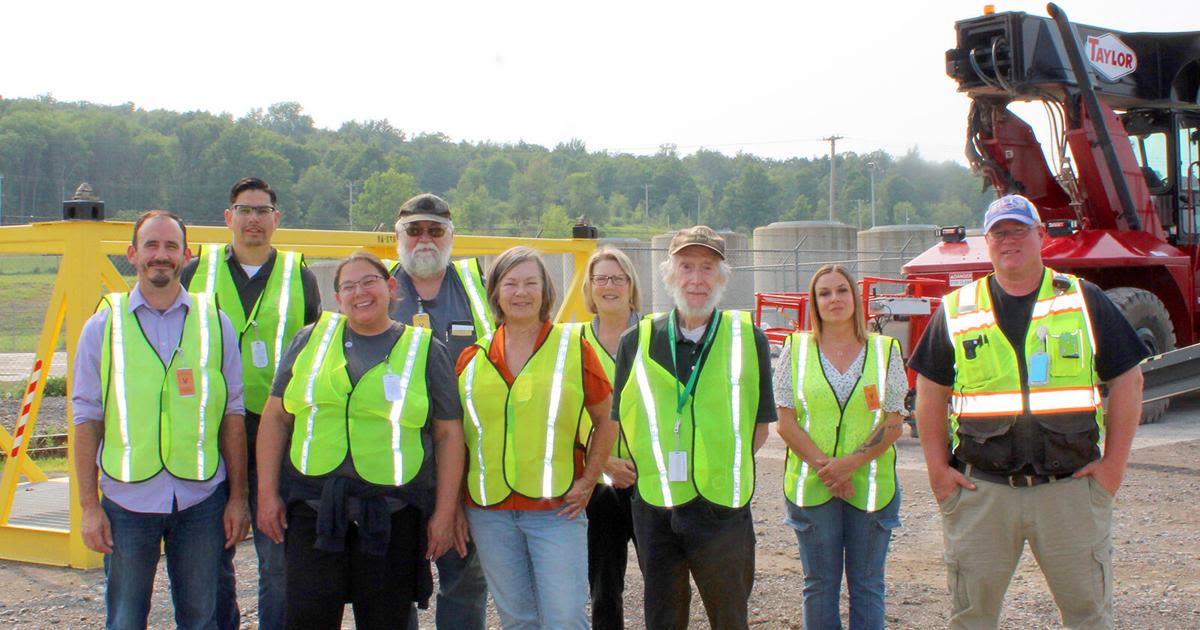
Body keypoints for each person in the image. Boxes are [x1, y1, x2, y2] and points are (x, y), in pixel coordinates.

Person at [909, 195, 1148, 629]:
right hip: (983, 491)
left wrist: (1114, 464)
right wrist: (937, 470)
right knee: (971, 619)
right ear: (988, 242)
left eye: (1020, 230)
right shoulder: (958, 308)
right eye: (1000, 232)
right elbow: (930, 391)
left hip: (1069, 491)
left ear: (1041, 236)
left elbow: (1129, 381)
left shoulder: (1082, 299)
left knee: (1088, 617)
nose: (1009, 240)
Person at [254, 251, 467, 630]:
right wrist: (267, 494)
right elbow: (275, 417)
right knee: (307, 618)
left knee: (387, 620)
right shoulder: (310, 341)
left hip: (392, 513)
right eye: (348, 286)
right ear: (338, 298)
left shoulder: (424, 349)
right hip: (315, 511)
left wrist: (445, 512)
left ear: (390, 287)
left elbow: (449, 434)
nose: (359, 293)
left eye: (369, 281)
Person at [72, 210, 249, 629]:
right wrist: (87, 507)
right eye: (151, 245)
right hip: (127, 502)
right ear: (132, 254)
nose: (161, 255)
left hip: (201, 501)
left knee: (202, 619)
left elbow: (233, 416)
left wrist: (238, 499)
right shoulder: (103, 326)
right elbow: (86, 420)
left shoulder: (215, 324)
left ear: (187, 255)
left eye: (171, 246)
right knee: (126, 620)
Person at [610, 226, 776, 630]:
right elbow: (621, 422)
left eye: (707, 267)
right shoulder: (638, 340)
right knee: (664, 618)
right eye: (686, 266)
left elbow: (760, 427)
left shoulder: (748, 339)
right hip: (656, 505)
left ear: (722, 277)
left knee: (729, 617)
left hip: (723, 507)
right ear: (670, 274)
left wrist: (718, 465)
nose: (697, 279)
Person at [182, 176, 322, 630]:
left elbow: (315, 356)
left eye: (263, 211)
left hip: (275, 433)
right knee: (208, 556)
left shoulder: (299, 275)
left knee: (276, 556)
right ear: (229, 217)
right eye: (245, 210)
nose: (254, 220)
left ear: (276, 220)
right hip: (210, 431)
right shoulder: (195, 271)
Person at [456, 246, 618, 629]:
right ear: (495, 293)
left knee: (564, 617)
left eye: (531, 283)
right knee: (517, 619)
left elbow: (607, 418)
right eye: (510, 283)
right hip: (489, 513)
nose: (521, 292)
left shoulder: (572, 349)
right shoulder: (472, 358)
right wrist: (455, 507)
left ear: (546, 292)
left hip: (556, 512)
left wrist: (589, 480)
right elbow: (458, 439)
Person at [774, 264, 905, 630]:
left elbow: (893, 422)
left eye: (841, 290)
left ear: (855, 297)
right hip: (813, 487)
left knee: (867, 586)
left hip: (872, 488)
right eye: (825, 293)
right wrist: (828, 469)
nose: (834, 299)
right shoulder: (795, 349)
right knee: (819, 586)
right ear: (814, 303)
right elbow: (785, 421)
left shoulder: (885, 350)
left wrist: (848, 465)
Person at [384, 192, 492, 630]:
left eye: (435, 230)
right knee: (392, 581)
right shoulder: (379, 288)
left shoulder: (479, 286)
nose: (424, 238)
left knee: (464, 578)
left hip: (465, 458)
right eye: (415, 229)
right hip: (394, 463)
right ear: (398, 235)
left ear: (451, 236)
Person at [580, 246, 642, 630]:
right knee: (604, 588)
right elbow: (567, 415)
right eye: (600, 278)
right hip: (600, 481)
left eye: (617, 278)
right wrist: (603, 462)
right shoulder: (574, 341)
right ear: (589, 287)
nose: (609, 286)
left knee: (665, 582)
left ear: (631, 285)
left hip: (649, 478)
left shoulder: (656, 336)